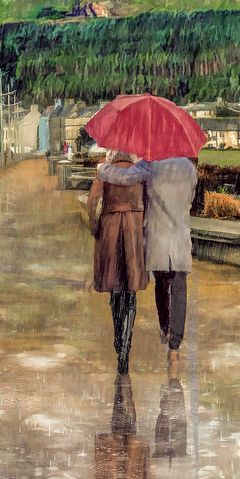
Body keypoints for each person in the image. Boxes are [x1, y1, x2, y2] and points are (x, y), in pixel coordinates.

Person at [96, 155, 197, 369]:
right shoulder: (189, 168)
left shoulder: (151, 165)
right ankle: (175, 347)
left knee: (161, 285)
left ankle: (166, 329)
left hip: (158, 234)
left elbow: (125, 177)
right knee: (179, 289)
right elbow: (191, 198)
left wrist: (103, 169)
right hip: (180, 235)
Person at [86, 150, 147, 375]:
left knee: (115, 288)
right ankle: (126, 347)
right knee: (130, 291)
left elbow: (92, 203)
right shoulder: (142, 172)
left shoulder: (104, 171)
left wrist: (96, 228)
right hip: (133, 229)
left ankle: (117, 339)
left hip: (110, 228)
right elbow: (149, 203)